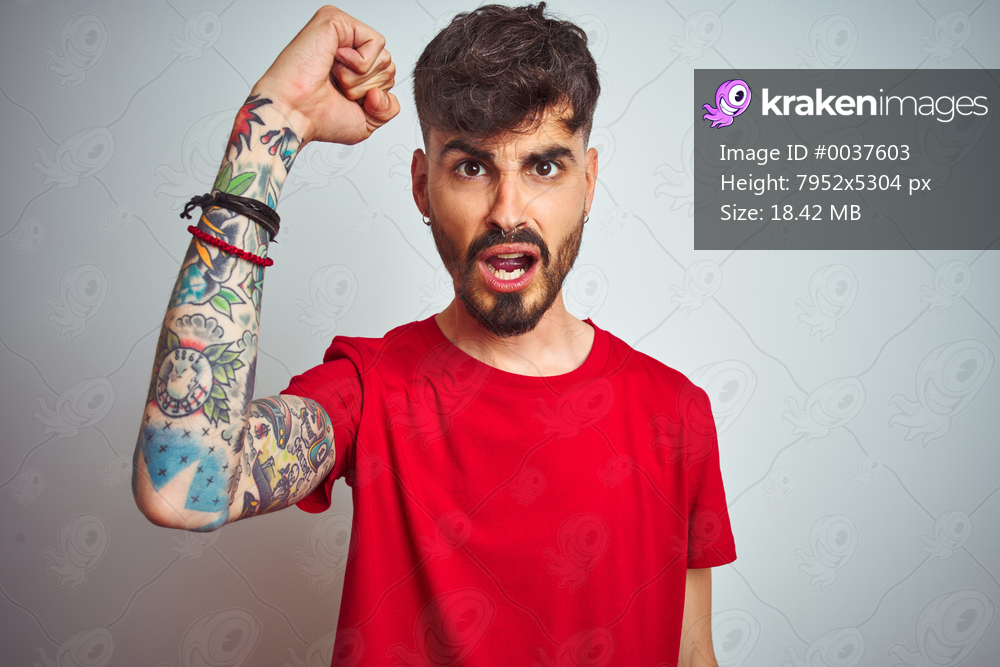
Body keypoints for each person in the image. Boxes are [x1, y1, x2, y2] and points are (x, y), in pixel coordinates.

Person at [132, 4, 736, 665]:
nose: (508, 212)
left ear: (588, 183)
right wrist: (274, 122)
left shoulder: (675, 412)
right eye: (472, 168)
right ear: (423, 186)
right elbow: (183, 486)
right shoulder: (370, 390)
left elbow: (693, 652)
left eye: (543, 167)